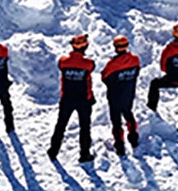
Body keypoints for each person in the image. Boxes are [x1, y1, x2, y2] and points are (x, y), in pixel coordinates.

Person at [47, 34, 96, 163]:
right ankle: (84, 154)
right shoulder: (88, 64)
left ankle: (53, 150)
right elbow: (91, 68)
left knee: (61, 125)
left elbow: (63, 63)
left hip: (67, 99)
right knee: (85, 127)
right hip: (84, 100)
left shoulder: (63, 62)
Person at [100, 35, 141, 156]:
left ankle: (119, 145)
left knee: (116, 120)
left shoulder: (113, 64)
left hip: (115, 96)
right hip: (129, 93)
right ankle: (133, 138)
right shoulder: (135, 59)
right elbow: (137, 72)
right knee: (128, 113)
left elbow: (104, 77)